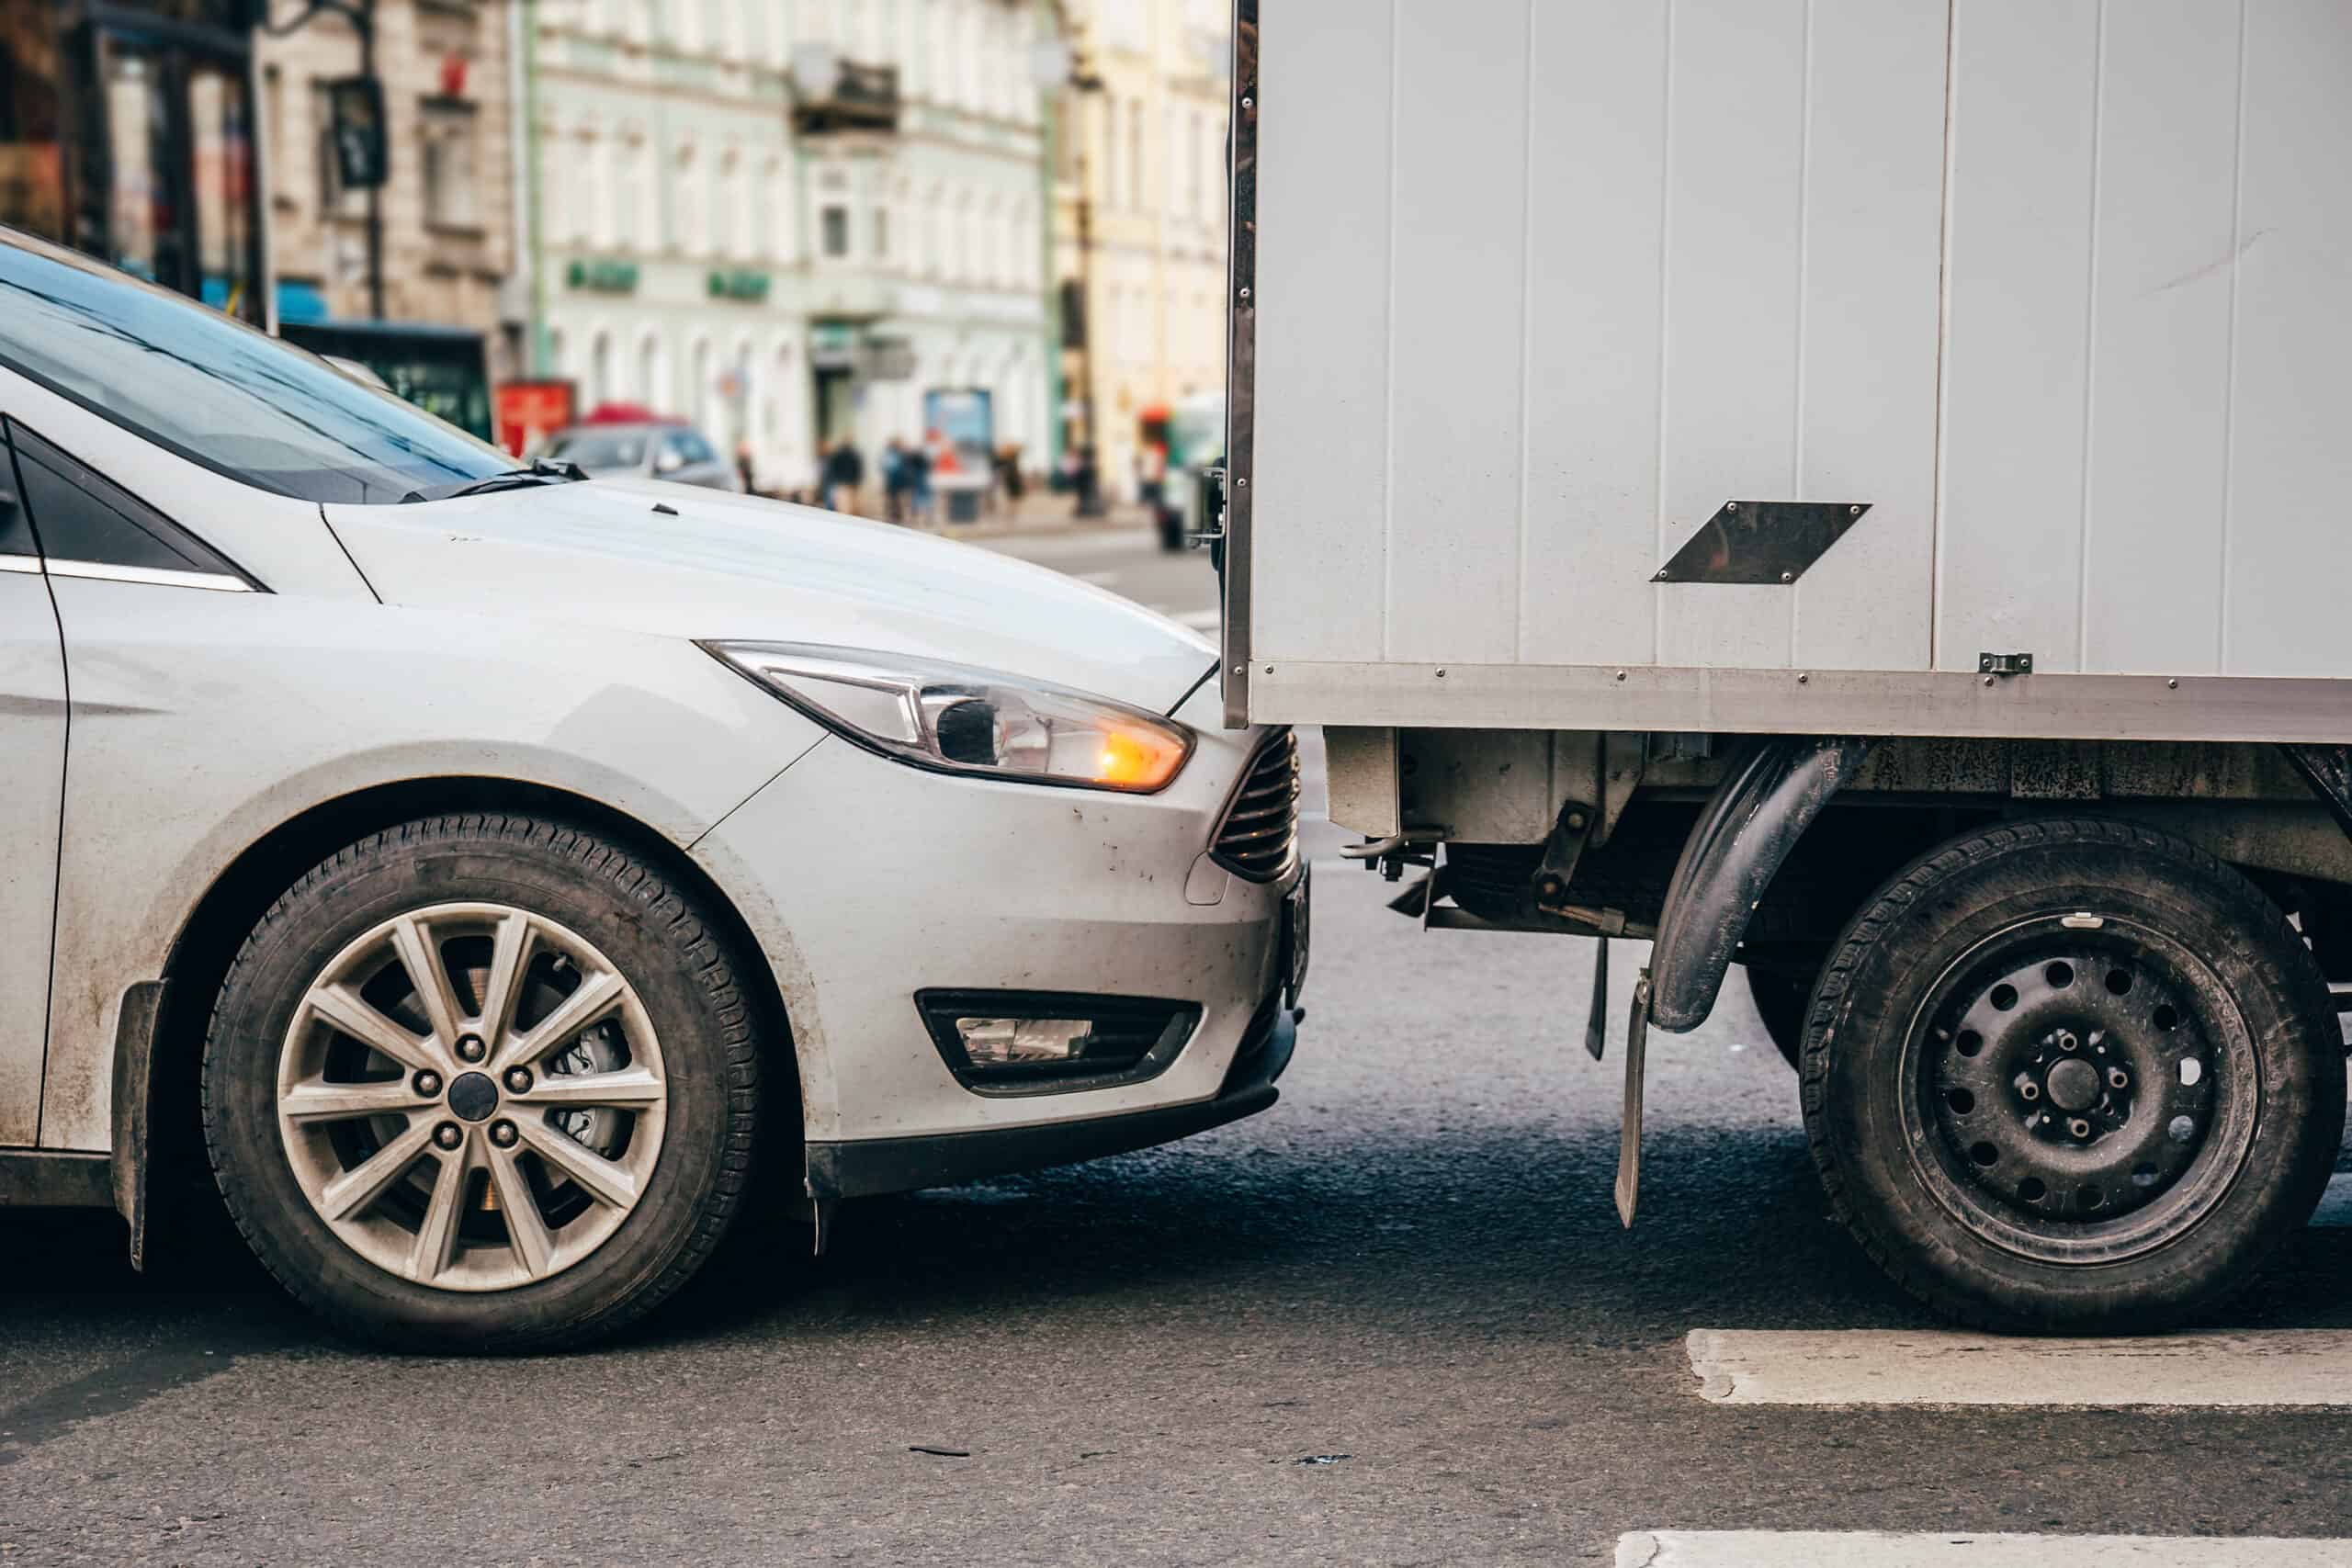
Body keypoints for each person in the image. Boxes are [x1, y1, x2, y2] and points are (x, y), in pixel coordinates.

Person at [820, 437, 865, 515]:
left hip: (844, 483)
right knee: (848, 506)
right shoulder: (853, 455)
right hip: (846, 483)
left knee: (847, 506)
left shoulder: (839, 455)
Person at [882, 437, 913, 524]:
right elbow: (887, 468)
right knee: (894, 502)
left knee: (899, 502)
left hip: (899, 482)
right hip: (895, 482)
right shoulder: (892, 454)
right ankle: (895, 518)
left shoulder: (902, 454)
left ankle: (898, 518)